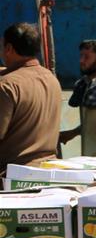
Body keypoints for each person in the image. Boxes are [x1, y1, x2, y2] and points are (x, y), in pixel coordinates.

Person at [0, 23, 62, 172]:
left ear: (8, 48)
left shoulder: (7, 85)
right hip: (48, 171)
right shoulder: (51, 79)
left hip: (13, 177)